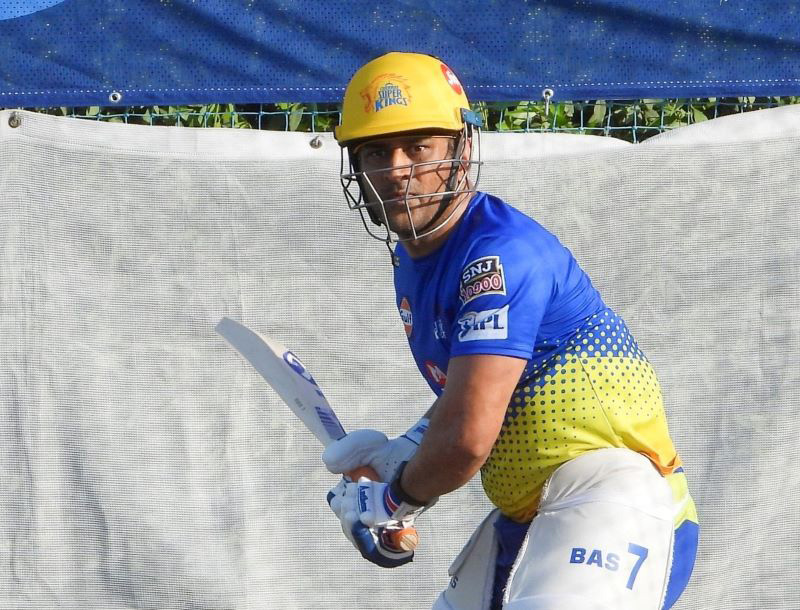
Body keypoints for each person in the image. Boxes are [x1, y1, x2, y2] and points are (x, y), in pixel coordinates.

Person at [323, 52, 699, 610]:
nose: (398, 170)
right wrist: (404, 451)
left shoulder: (498, 257)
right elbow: (484, 389)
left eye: (418, 147)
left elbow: (468, 437)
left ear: (462, 149)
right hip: (531, 512)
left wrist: (393, 500)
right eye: (377, 151)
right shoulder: (416, 257)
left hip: (613, 494)